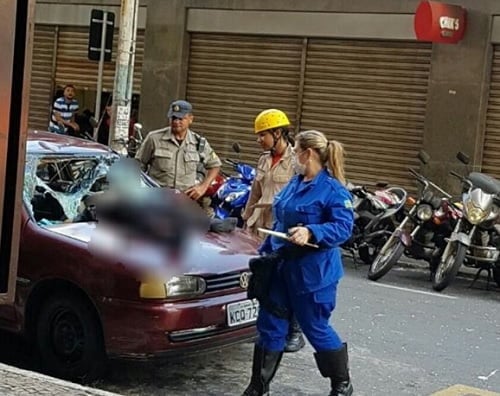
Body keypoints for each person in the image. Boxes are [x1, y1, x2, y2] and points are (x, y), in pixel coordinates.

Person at [241, 130, 354, 396]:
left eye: (296, 151)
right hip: (281, 269)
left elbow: (344, 227)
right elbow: (281, 220)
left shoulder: (333, 189)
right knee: (270, 325)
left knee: (315, 327)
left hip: (313, 275)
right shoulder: (295, 182)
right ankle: (258, 388)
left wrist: (312, 231)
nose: (292, 156)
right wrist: (265, 254)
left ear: (308, 153)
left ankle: (342, 385)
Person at [241, 108, 305, 353]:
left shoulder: (296, 162)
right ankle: (263, 327)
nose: (259, 140)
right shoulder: (263, 159)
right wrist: (246, 218)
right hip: (260, 228)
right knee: (263, 279)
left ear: (278, 133)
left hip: (282, 230)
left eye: (263, 135)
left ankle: (295, 331)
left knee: (288, 280)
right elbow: (255, 193)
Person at [134, 100, 221, 212]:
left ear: (190, 119)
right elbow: (138, 166)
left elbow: (215, 165)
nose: (176, 122)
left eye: (181, 118)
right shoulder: (154, 138)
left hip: (184, 203)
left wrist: (203, 187)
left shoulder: (198, 142)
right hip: (157, 202)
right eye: (173, 118)